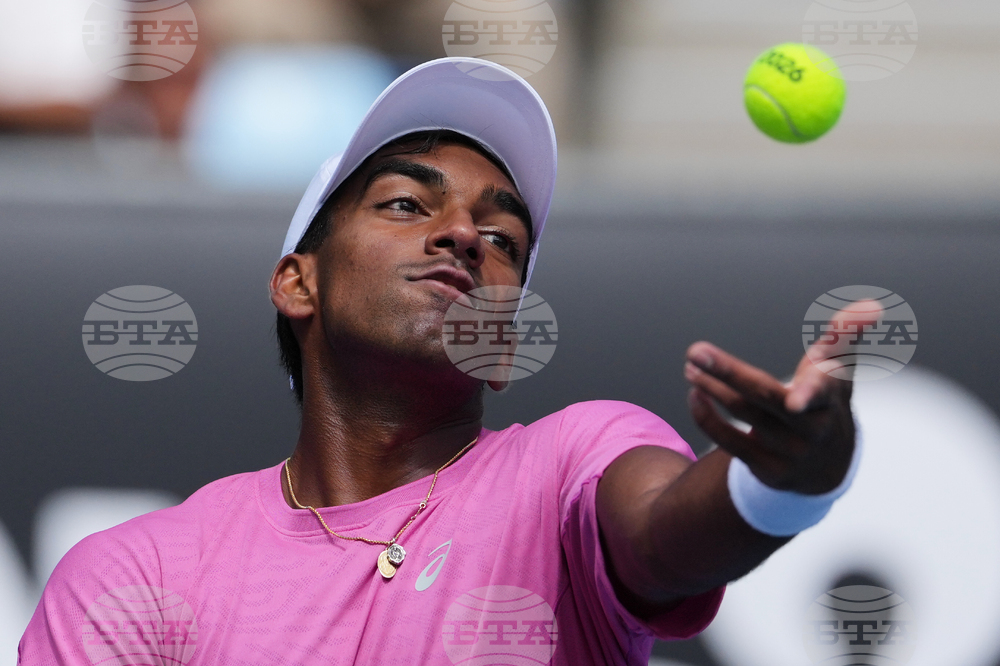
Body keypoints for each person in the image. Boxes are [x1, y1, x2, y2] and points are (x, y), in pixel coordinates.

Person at [18, 57, 869, 666]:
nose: (464, 234)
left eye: (502, 239)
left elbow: (667, 536)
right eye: (405, 203)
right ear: (296, 283)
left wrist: (785, 483)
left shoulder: (570, 461)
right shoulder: (134, 575)